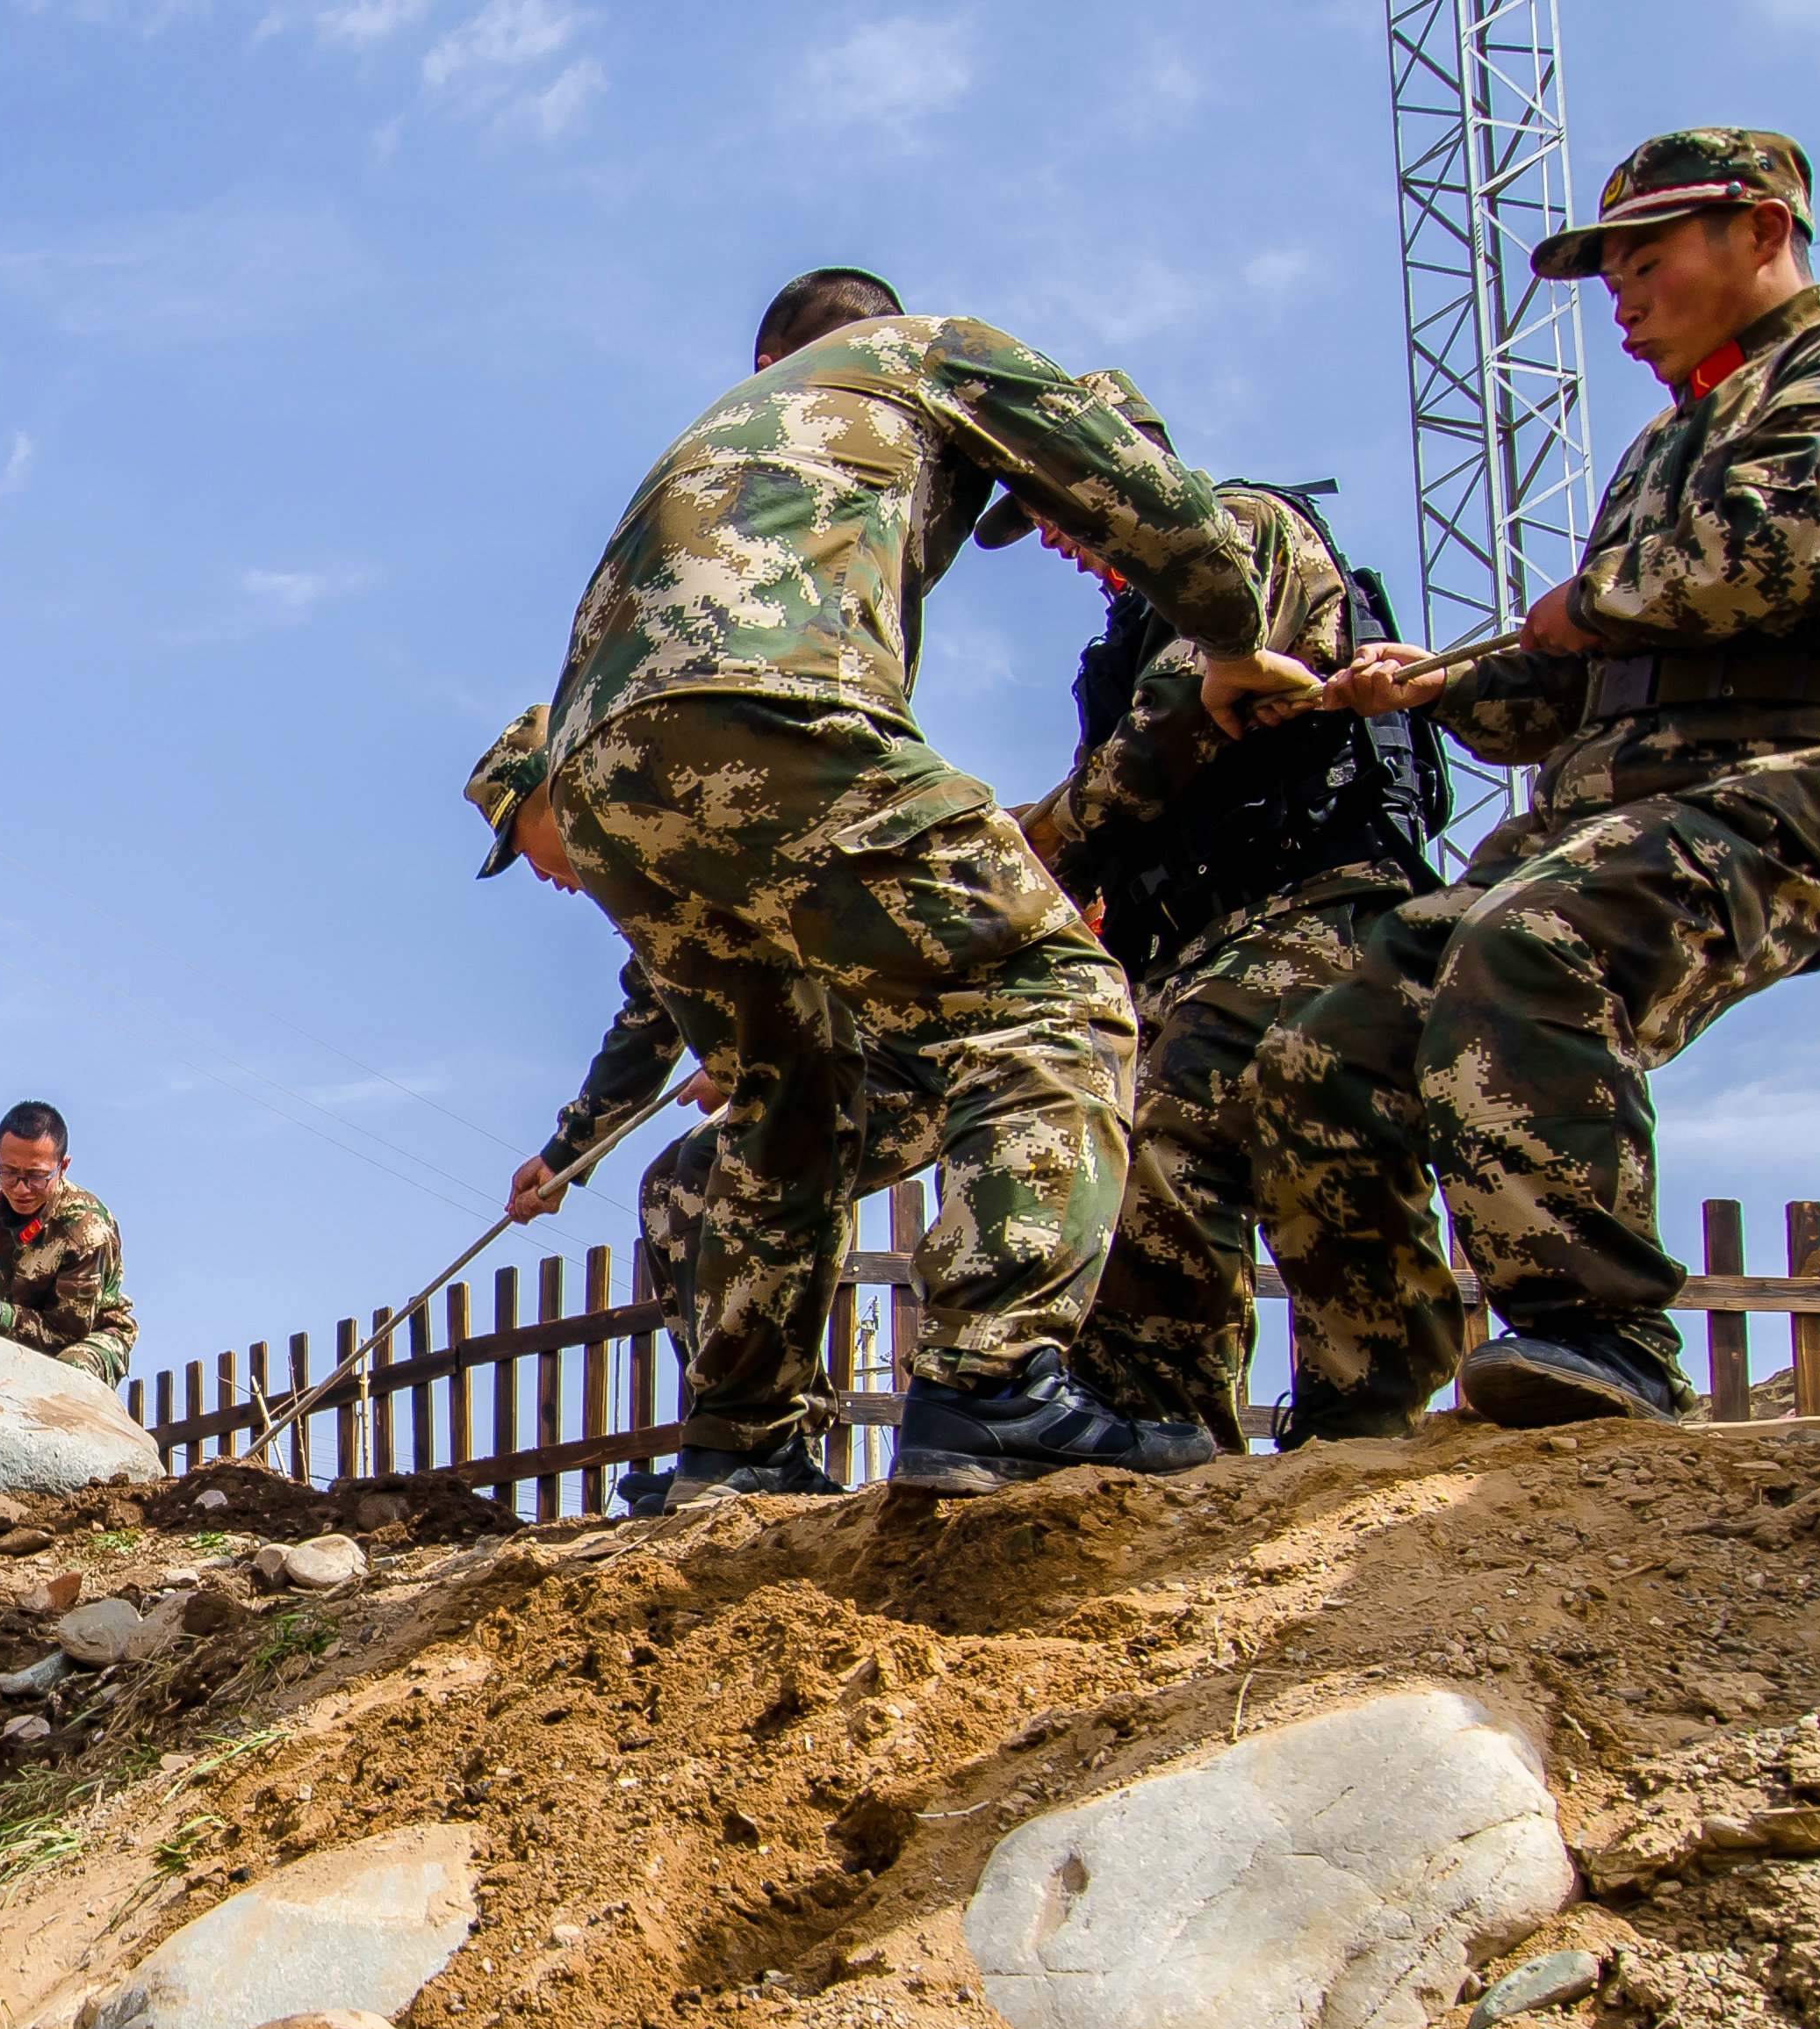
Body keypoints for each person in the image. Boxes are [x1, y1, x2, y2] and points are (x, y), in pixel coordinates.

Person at [491, 265, 1310, 1510]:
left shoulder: (732, 436)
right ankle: (993, 1381)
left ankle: (739, 1439)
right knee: (1049, 996)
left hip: (605, 767)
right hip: (766, 708)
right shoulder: (927, 351)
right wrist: (1231, 627)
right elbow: (1124, 483)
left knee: (785, 1094)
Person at [1255, 130, 1820, 1436]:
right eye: (1606, 269)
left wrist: (1592, 602)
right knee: (1324, 1042)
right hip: (1597, 805)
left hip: (1770, 785)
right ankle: (1363, 1394)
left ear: (1758, 230)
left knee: (1529, 951)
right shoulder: (1652, 451)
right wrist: (1441, 685)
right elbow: (1553, 699)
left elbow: (1780, 549)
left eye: (1646, 258)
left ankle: (1600, 1338)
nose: (1618, 296)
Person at [996, 380, 1442, 1451]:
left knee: (1251, 1104)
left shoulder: (1239, 531)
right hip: (1188, 937)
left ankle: (1364, 1411)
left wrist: (1039, 837)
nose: (1051, 535)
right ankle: (1157, 1429)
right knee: (1134, 1146)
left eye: (1055, 502)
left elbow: (1163, 736)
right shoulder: (1119, 638)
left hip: (1308, 897)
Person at [495, 762, 941, 1507]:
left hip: (919, 1055)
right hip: (824, 1063)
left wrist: (750, 1058)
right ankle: (749, 1441)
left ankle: (757, 1441)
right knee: (677, 1183)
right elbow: (648, 1026)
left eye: (520, 842)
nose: (539, 875)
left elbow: (842, 938)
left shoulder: (709, 833)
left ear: (558, 797)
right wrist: (564, 1158)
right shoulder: (653, 881)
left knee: (735, 1165)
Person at [0, 1100, 137, 1386]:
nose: (20, 1188)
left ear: (62, 1167)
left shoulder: (86, 1231)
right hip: (11, 1330)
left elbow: (65, 1334)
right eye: (9, 1171)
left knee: (65, 1379)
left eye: (37, 1176)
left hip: (86, 1337)